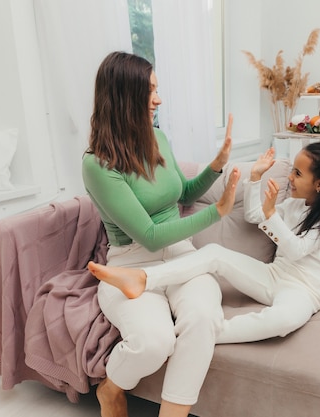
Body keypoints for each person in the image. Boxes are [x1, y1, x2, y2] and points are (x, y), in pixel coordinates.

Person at [82, 51, 241, 417]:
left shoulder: (158, 137)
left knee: (203, 319)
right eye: (150, 90)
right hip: (131, 262)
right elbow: (151, 235)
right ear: (125, 96)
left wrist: (215, 166)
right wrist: (217, 213)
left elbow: (182, 193)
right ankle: (110, 388)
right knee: (154, 342)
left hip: (182, 256)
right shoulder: (97, 165)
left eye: (157, 89)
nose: (159, 98)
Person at [88, 141, 320, 344]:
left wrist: (271, 214)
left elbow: (296, 249)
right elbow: (255, 215)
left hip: (304, 291)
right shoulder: (295, 204)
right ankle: (143, 278)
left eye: (298, 174)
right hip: (274, 275)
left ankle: (200, 336)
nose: (290, 178)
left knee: (283, 321)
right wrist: (255, 178)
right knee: (214, 253)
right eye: (292, 170)